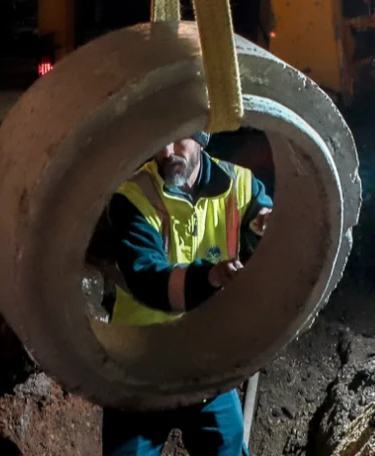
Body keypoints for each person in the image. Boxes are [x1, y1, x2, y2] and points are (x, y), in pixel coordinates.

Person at [101, 132, 272, 456]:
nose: (166, 151)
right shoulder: (133, 197)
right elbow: (149, 282)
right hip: (140, 366)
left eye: (178, 139)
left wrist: (266, 225)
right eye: (160, 139)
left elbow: (266, 227)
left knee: (228, 449)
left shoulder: (242, 185)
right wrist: (210, 277)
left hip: (207, 362)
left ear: (202, 138)